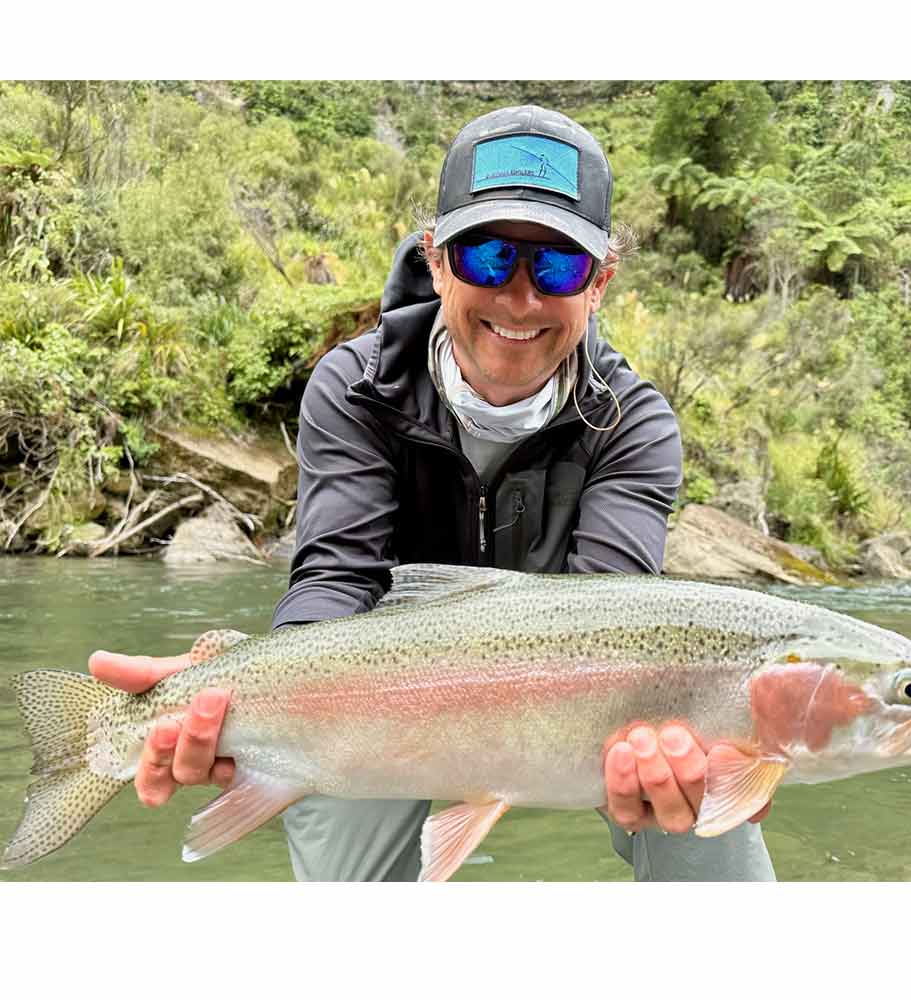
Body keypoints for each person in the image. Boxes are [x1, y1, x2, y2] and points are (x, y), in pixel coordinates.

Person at [89, 105, 775, 881]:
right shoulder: (356, 387)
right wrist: (251, 690)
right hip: (378, 699)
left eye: (558, 267)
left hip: (579, 712)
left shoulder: (631, 423)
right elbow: (334, 581)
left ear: (599, 284)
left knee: (702, 792)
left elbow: (611, 618)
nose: (519, 298)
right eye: (488, 257)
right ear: (437, 260)